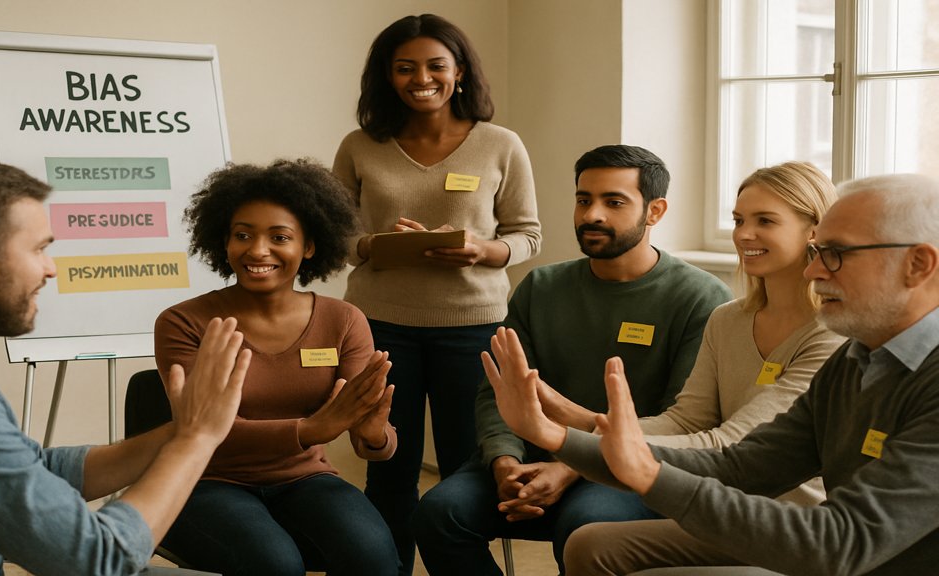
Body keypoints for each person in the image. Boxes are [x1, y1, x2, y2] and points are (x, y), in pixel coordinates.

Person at [485, 173, 939, 575]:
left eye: (836, 253)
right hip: (818, 543)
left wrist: (646, 473)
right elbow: (741, 465)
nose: (816, 269)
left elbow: (839, 542)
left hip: (827, 547)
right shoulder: (855, 359)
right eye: (819, 251)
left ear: (919, 264)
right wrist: (556, 436)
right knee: (591, 545)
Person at [0, 159, 251, 576]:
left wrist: (181, 430)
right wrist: (196, 441)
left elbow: (34, 470)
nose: (50, 268)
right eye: (38, 249)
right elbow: (98, 560)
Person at [413, 144, 733, 575]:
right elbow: (497, 390)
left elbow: (684, 418)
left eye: (613, 202)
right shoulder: (541, 286)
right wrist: (505, 462)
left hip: (628, 465)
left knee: (585, 526)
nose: (591, 215)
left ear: (654, 212)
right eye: (584, 200)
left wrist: (570, 466)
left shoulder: (701, 298)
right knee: (438, 513)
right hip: (529, 455)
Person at [332, 13, 542, 574]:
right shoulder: (359, 146)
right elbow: (332, 236)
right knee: (390, 467)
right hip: (379, 324)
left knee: (464, 468)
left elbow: (527, 236)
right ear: (386, 77)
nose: (420, 78)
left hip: (473, 325)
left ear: (460, 73)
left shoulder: (501, 144)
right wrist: (376, 245)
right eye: (404, 68)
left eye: (434, 66)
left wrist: (482, 249)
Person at [154, 159, 400, 576]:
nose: (258, 250)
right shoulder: (184, 322)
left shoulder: (343, 321)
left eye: (279, 237)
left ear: (308, 246)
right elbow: (206, 431)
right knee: (275, 565)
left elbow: (371, 439)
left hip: (305, 479)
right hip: (205, 482)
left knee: (374, 557)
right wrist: (309, 430)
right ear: (224, 242)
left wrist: (374, 433)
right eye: (243, 235)